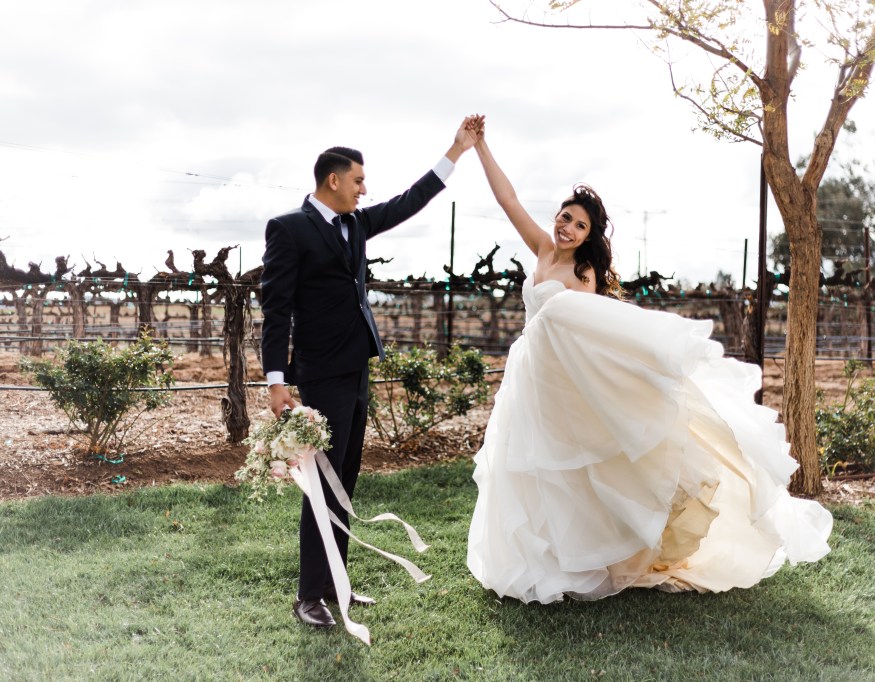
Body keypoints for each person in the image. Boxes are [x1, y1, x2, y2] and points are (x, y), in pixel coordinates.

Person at [464, 118, 833, 604]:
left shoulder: (583, 273)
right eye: (565, 217)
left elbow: (591, 333)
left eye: (579, 225)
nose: (567, 227)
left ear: (589, 236)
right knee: (530, 468)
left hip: (565, 381)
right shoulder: (543, 249)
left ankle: (593, 556)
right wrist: (481, 146)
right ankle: (540, 557)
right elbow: (508, 199)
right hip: (530, 376)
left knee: (575, 468)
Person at [260, 118, 481, 627]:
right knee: (322, 484)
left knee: (345, 482)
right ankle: (308, 597)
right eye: (358, 180)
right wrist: (276, 381)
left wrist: (456, 151)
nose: (364, 189)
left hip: (357, 370)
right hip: (320, 375)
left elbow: (408, 202)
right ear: (333, 179)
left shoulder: (356, 224)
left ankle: (336, 585)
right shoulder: (289, 229)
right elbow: (276, 310)